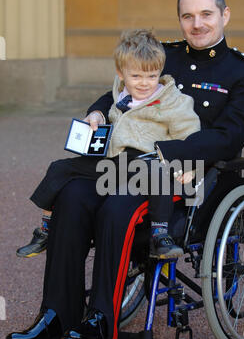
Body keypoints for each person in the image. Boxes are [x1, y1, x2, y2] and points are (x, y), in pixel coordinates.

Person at [5, 0, 244, 339]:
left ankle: (100, 322)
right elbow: (121, 88)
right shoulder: (164, 55)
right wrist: (96, 111)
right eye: (188, 16)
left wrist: (166, 151)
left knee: (117, 206)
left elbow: (228, 136)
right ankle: (55, 316)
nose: (197, 24)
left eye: (206, 14)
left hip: (184, 176)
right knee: (73, 195)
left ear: (224, 15)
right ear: (179, 19)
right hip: (126, 166)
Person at [15, 29, 200, 260]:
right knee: (59, 168)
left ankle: (160, 234)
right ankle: (45, 229)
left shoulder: (171, 100)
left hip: (145, 163)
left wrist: (189, 167)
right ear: (121, 73)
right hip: (112, 164)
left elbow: (191, 134)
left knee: (158, 173)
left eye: (152, 76)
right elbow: (105, 111)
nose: (144, 83)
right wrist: (98, 116)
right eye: (136, 77)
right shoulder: (120, 96)